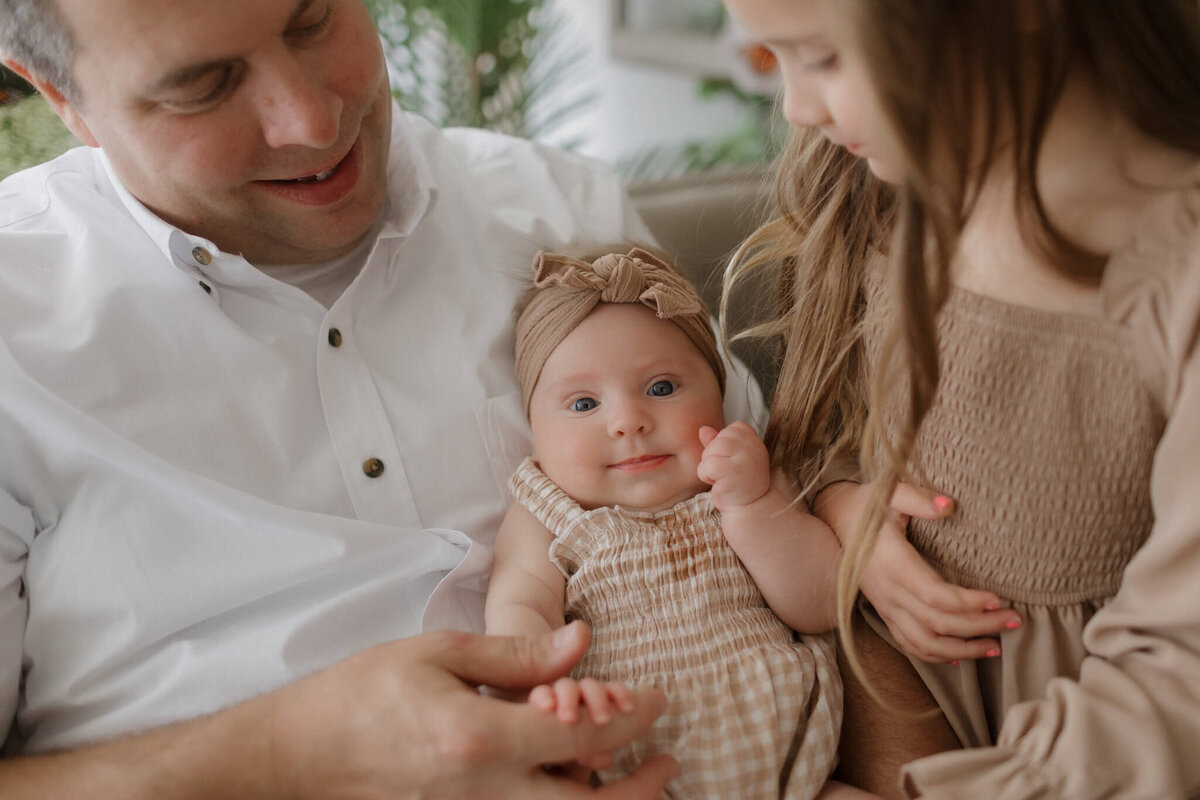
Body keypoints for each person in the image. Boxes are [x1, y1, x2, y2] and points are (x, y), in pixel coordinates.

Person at [0, 0, 768, 796]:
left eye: (313, 21)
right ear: (60, 96)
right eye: (203, 86)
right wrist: (282, 754)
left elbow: (780, 497)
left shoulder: (561, 210)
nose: (310, 117)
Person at [719, 0, 1200, 798]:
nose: (796, 108)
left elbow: (1180, 681)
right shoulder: (871, 186)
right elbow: (820, 437)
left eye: (822, 56)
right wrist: (845, 512)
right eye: (772, 59)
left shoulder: (1175, 277)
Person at [485, 246, 870, 800]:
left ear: (719, 394)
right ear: (534, 428)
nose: (628, 421)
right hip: (634, 766)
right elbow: (519, 604)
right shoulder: (547, 512)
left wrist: (752, 505)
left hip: (799, 766)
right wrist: (538, 687)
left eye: (662, 388)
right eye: (584, 404)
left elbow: (819, 603)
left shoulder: (746, 477)